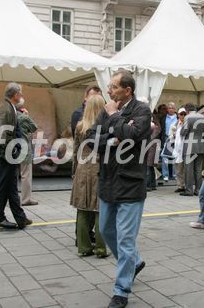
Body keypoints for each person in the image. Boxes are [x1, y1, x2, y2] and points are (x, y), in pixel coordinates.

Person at [86, 70, 149, 308]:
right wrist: (113, 139)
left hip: (131, 184)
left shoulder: (141, 110)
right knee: (105, 230)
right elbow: (91, 138)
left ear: (127, 90)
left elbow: (133, 137)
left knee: (125, 239)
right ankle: (135, 262)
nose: (108, 91)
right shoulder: (107, 109)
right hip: (108, 182)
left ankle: (121, 290)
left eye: (113, 87)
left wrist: (114, 119)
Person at [0, 82, 32, 229]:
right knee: (3, 186)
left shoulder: (10, 107)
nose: (21, 96)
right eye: (20, 93)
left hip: (9, 153)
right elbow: (3, 130)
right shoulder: (5, 108)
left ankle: (20, 218)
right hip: (6, 153)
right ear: (15, 95)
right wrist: (11, 150)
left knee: (11, 186)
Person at [71, 95, 108, 258]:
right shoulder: (106, 127)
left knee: (83, 208)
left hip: (82, 168)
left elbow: (75, 151)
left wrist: (74, 171)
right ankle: (101, 248)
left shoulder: (80, 126)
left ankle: (84, 247)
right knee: (100, 208)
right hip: (99, 168)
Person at [15, 99, 39, 206]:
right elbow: (34, 127)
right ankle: (25, 199)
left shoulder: (10, 117)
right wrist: (27, 115)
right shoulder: (23, 117)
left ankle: (13, 198)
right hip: (24, 149)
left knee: (12, 175)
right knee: (26, 175)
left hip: (12, 149)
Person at [180, 103, 204, 196]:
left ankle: (189, 190)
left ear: (187, 110)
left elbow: (184, 132)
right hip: (200, 144)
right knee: (198, 169)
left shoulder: (187, 117)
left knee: (188, 169)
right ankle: (198, 190)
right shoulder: (202, 117)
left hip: (189, 145)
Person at [160, 102, 177, 182]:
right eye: (169, 108)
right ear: (167, 109)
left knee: (175, 156)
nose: (170, 109)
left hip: (175, 138)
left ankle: (174, 175)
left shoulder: (178, 117)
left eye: (172, 108)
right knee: (164, 157)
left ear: (175, 109)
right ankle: (165, 175)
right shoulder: (163, 118)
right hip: (166, 138)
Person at [171, 107, 186, 193]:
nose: (183, 116)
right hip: (177, 149)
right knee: (178, 168)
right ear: (178, 115)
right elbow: (171, 136)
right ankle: (180, 185)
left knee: (184, 168)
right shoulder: (176, 124)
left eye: (184, 114)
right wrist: (173, 135)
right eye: (181, 114)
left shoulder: (187, 123)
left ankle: (186, 185)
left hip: (185, 148)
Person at [146, 115, 161, 191]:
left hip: (152, 148)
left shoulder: (155, 127)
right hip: (152, 148)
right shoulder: (154, 126)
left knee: (148, 166)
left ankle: (148, 185)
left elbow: (152, 137)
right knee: (151, 167)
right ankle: (153, 185)